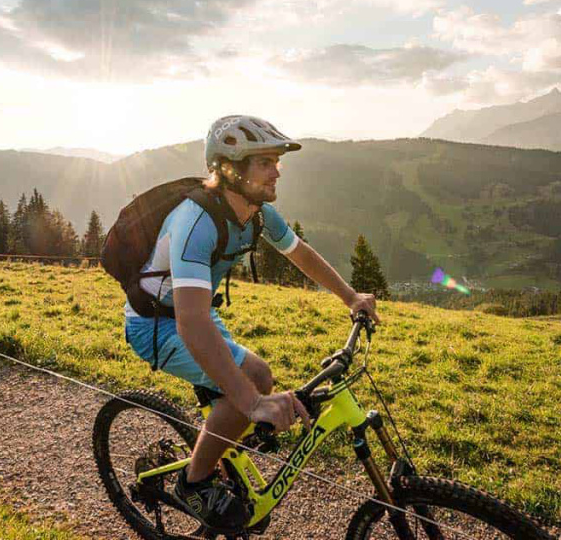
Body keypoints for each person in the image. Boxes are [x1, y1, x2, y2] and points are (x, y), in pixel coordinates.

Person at [123, 115, 380, 532]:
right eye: (265, 162)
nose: (278, 170)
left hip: (196, 314)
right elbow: (190, 323)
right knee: (252, 383)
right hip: (156, 325)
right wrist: (252, 403)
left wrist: (350, 296)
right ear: (230, 168)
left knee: (253, 379)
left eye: (277, 161)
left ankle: (225, 454)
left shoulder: (255, 212)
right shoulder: (194, 223)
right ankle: (195, 482)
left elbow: (300, 253)